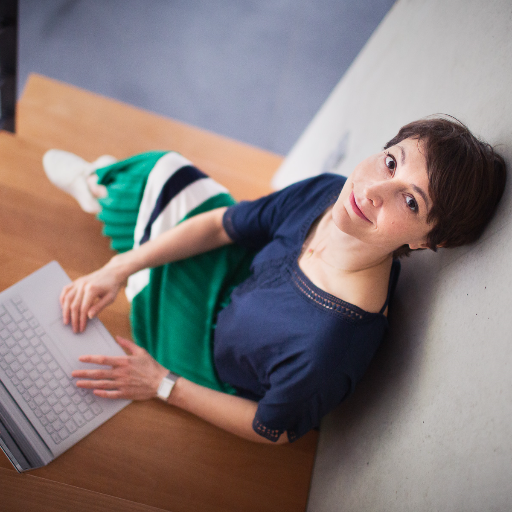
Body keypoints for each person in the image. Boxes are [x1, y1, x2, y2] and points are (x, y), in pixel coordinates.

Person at [42, 116, 506, 444]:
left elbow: (274, 430)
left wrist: (161, 384)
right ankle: (102, 191)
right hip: (238, 274)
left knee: (150, 263)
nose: (371, 192)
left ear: (430, 242)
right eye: (390, 163)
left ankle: (108, 191)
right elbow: (223, 224)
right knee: (167, 170)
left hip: (209, 355)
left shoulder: (329, 341)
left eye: (410, 202)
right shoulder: (332, 192)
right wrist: (114, 270)